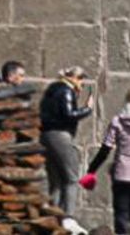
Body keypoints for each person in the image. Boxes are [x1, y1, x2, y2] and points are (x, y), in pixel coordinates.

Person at [84, 84, 130, 233]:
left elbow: (105, 149)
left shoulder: (117, 121)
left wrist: (91, 169)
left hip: (122, 172)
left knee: (121, 213)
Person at [39, 65, 93, 224]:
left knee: (55, 179)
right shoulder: (66, 91)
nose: (82, 83)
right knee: (71, 177)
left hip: (46, 134)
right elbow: (69, 114)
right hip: (60, 135)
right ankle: (68, 217)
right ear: (75, 78)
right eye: (82, 79)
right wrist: (87, 109)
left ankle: (52, 214)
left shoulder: (52, 89)